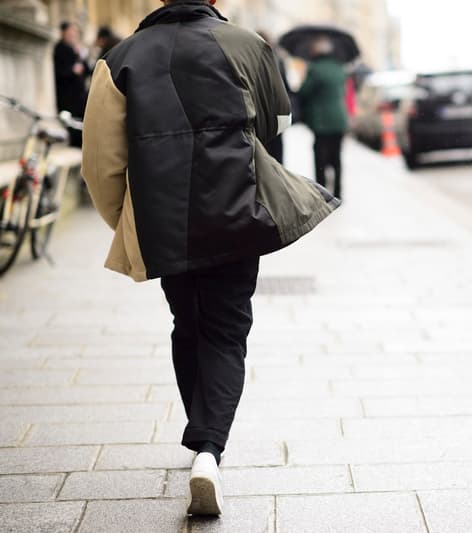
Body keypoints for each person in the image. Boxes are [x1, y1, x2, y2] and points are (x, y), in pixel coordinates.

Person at [81, 0, 339, 517]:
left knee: (187, 323)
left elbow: (100, 162)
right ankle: (208, 450)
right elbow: (277, 124)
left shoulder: (119, 59)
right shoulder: (249, 46)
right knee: (226, 329)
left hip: (163, 217)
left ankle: (201, 435)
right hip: (235, 207)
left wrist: (126, 222)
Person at [297, 37, 348, 199]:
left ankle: (323, 194)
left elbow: (304, 92)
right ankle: (338, 192)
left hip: (321, 121)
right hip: (339, 119)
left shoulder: (316, 69)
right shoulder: (339, 68)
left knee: (320, 157)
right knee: (337, 157)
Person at [53, 21, 89, 147]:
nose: (73, 36)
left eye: (75, 33)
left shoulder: (76, 50)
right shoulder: (59, 49)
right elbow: (58, 73)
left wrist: (81, 55)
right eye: (70, 33)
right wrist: (72, 71)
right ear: (63, 33)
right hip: (67, 96)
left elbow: (87, 70)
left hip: (79, 96)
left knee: (81, 123)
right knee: (72, 125)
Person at [257, 31, 290, 163]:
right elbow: (285, 88)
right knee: (276, 152)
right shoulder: (278, 60)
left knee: (261, 150)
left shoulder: (252, 59)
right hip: (277, 113)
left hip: (259, 113)